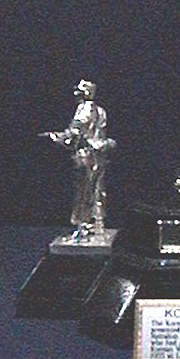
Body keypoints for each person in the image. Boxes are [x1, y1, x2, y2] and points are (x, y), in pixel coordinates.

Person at [41, 79, 116, 241]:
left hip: (84, 155)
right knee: (97, 190)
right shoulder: (101, 111)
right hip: (99, 156)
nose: (75, 94)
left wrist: (56, 137)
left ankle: (82, 227)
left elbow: (74, 134)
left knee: (83, 191)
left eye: (79, 91)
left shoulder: (83, 110)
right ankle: (97, 224)